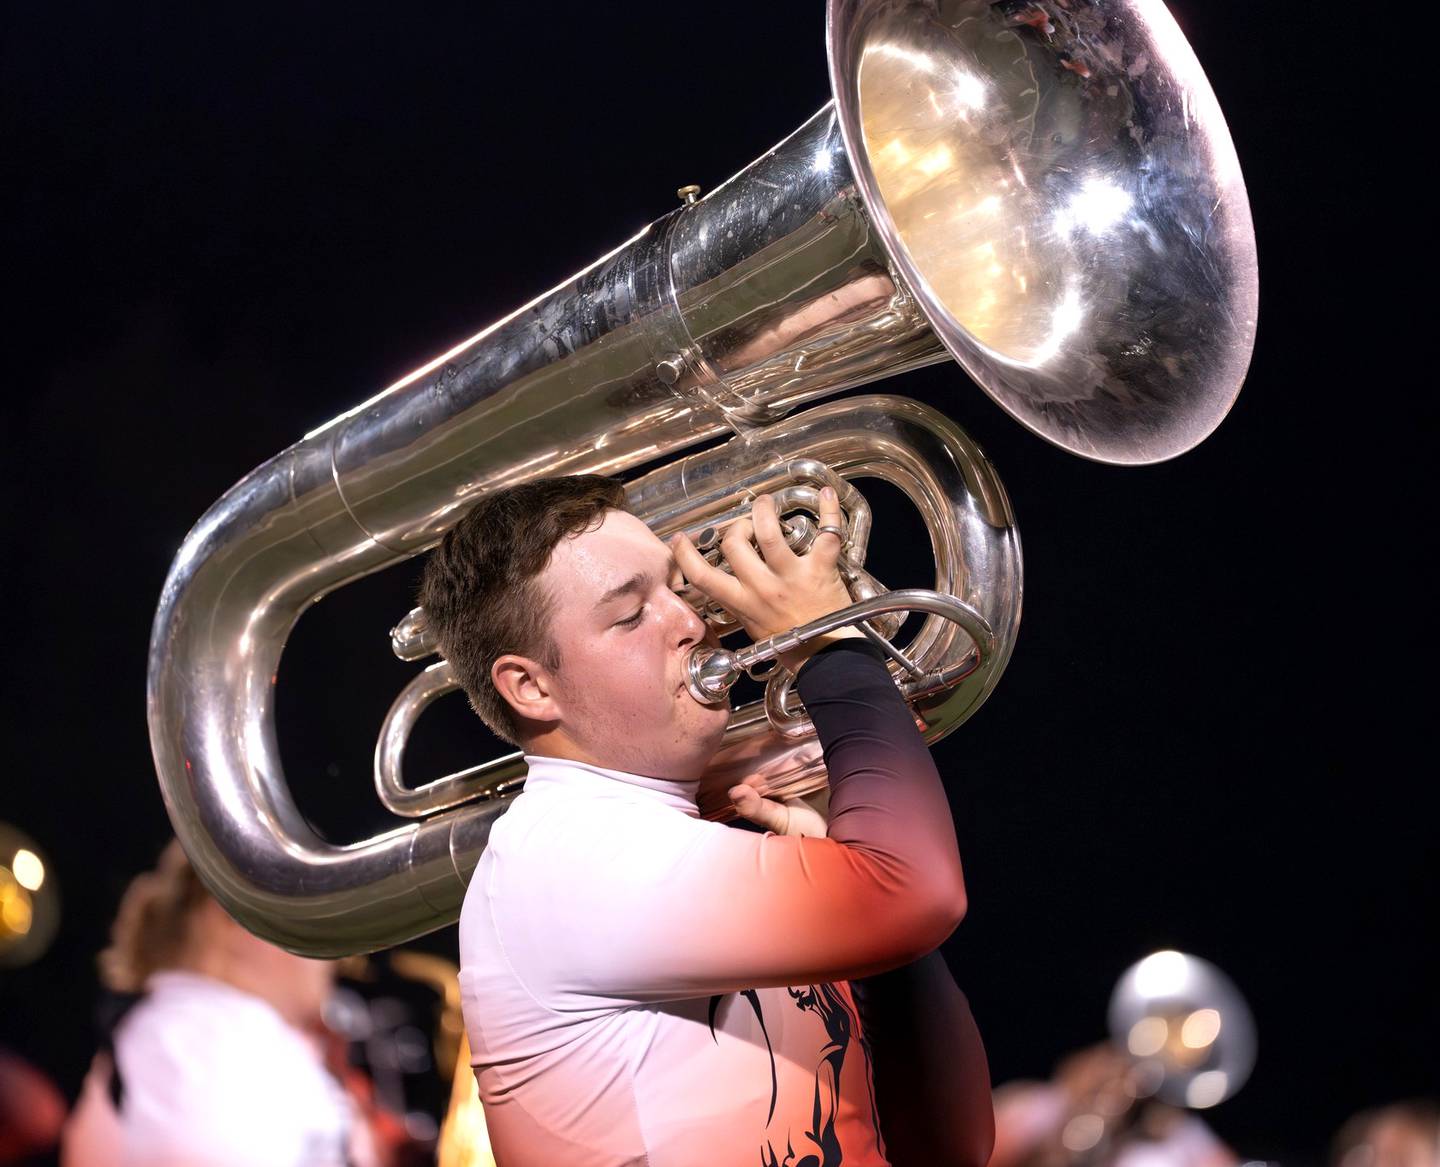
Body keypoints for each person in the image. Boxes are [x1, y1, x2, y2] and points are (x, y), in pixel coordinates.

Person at [418, 474, 993, 1166]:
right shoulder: (563, 854)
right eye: (631, 615)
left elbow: (948, 1144)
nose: (691, 621)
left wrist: (881, 943)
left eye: (675, 588)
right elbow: (921, 889)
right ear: (532, 686)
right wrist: (829, 648)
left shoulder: (683, 850)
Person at [59, 839, 381, 1167]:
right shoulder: (199, 1031)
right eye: (314, 917)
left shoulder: (197, 1030)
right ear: (236, 912)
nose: (336, 954)